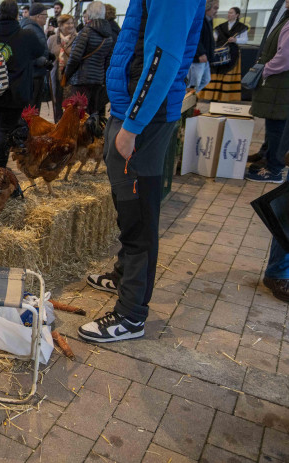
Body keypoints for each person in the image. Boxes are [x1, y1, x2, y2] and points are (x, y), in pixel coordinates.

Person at [79, 0, 205, 343]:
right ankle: (124, 277)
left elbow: (162, 58)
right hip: (133, 109)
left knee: (138, 217)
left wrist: (133, 124)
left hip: (144, 118)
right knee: (128, 208)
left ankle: (131, 315)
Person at [0, 0, 40, 168]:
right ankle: (0, 168)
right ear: (17, 15)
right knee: (5, 129)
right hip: (13, 94)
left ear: (0, 14)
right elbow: (40, 52)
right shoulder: (27, 36)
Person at [245, 3, 289, 184]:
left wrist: (265, 70)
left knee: (277, 128)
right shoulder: (285, 18)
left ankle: (273, 170)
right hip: (279, 85)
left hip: (280, 85)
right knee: (275, 127)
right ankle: (270, 163)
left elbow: (285, 57)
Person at [63, 1, 113, 116]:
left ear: (89, 14)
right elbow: (108, 61)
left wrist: (67, 74)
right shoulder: (108, 35)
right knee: (92, 115)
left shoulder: (85, 32)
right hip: (98, 81)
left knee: (76, 115)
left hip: (81, 79)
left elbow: (75, 57)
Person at [199, 7, 249, 102]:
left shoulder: (241, 27)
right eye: (228, 12)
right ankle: (212, 96)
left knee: (227, 73)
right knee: (216, 72)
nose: (229, 14)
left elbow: (245, 40)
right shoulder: (220, 27)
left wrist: (235, 40)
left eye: (231, 13)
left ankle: (225, 97)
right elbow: (214, 38)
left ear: (237, 15)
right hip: (219, 54)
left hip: (232, 54)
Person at [47, 14, 77, 121]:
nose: (70, 26)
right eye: (67, 23)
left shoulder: (77, 39)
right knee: (57, 103)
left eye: (72, 23)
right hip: (56, 76)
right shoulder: (52, 39)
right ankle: (57, 126)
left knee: (70, 104)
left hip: (71, 76)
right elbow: (48, 55)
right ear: (60, 25)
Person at [23, 4, 51, 115]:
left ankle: (31, 130)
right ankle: (28, 131)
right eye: (45, 15)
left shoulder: (36, 29)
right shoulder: (30, 29)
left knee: (34, 109)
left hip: (37, 74)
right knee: (31, 109)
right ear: (38, 16)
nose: (47, 18)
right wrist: (42, 61)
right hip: (32, 75)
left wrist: (48, 55)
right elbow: (26, 53)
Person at [188, 0, 218, 94]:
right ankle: (186, 103)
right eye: (215, 8)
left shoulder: (209, 20)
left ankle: (190, 99)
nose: (216, 11)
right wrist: (200, 53)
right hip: (198, 58)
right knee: (193, 84)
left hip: (205, 58)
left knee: (206, 80)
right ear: (207, 8)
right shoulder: (199, 20)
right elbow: (195, 38)